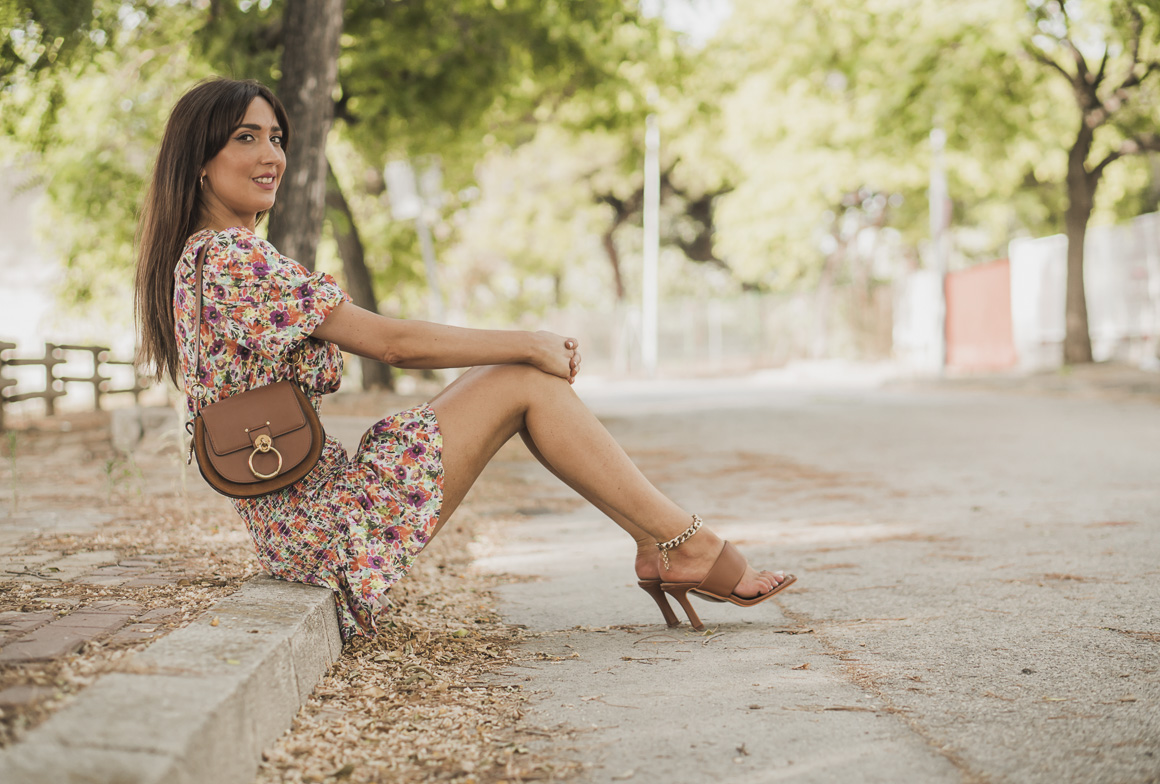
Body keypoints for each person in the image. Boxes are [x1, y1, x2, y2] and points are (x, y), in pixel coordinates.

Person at [134, 78, 794, 640]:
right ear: (201, 159)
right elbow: (396, 345)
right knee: (524, 377)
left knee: (513, 376)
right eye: (245, 138)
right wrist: (529, 340)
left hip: (299, 532)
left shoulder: (200, 259)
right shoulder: (231, 258)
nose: (270, 154)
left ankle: (662, 542)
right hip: (325, 529)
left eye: (276, 137)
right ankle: (684, 543)